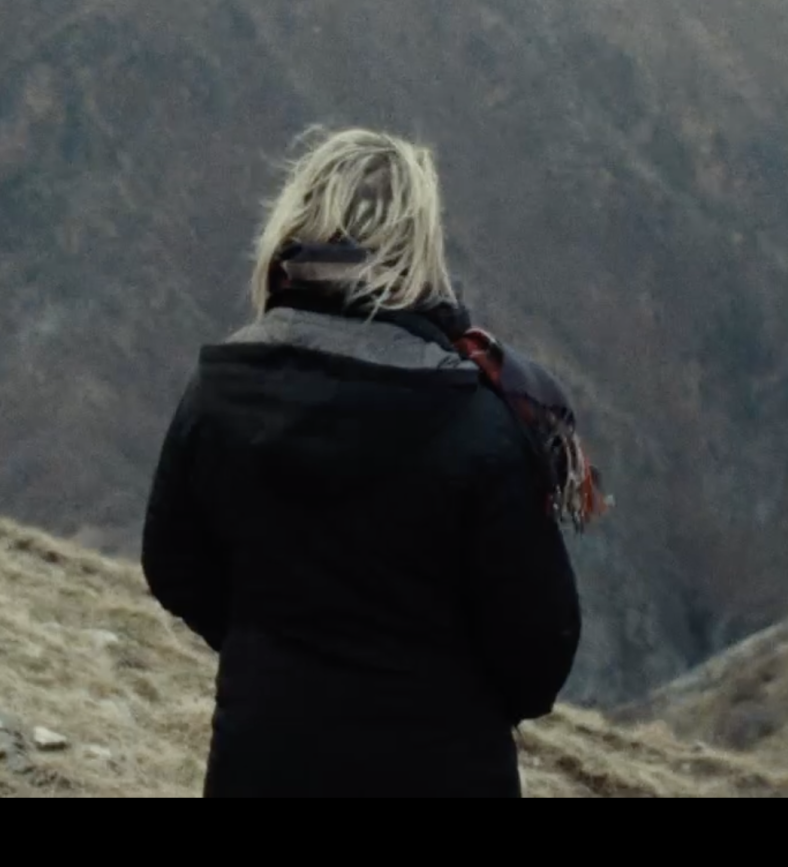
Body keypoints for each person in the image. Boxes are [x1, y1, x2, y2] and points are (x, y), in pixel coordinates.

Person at [141, 126, 591, 797]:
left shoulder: (220, 390)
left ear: (291, 228)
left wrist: (272, 653)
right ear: (419, 245)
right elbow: (538, 651)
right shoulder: (477, 422)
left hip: (262, 766)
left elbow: (174, 564)